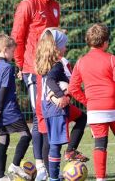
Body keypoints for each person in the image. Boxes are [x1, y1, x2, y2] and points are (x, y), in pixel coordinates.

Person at [69, 24, 115, 181]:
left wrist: (88, 102)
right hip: (114, 106)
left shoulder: (81, 62)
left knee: (100, 143)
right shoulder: (112, 59)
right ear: (105, 42)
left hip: (95, 108)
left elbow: (73, 88)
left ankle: (100, 178)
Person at [11, 0, 63, 180]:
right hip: (33, 69)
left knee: (53, 115)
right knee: (39, 116)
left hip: (51, 69)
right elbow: (17, 38)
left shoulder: (55, 5)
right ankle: (40, 166)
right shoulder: (27, 5)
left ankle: (51, 164)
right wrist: (20, 65)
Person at [35, 28, 88, 181]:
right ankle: (53, 177)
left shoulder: (45, 63)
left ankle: (53, 176)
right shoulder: (57, 65)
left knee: (53, 144)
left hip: (47, 107)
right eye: (64, 45)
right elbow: (51, 81)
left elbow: (66, 82)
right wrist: (60, 95)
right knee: (55, 146)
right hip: (56, 108)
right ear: (56, 47)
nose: (66, 48)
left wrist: (73, 88)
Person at [0, 34, 32, 181]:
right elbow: (4, 89)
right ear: (5, 50)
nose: (13, 55)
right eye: (13, 52)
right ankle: (15, 165)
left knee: (3, 140)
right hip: (8, 110)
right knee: (26, 135)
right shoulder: (7, 67)